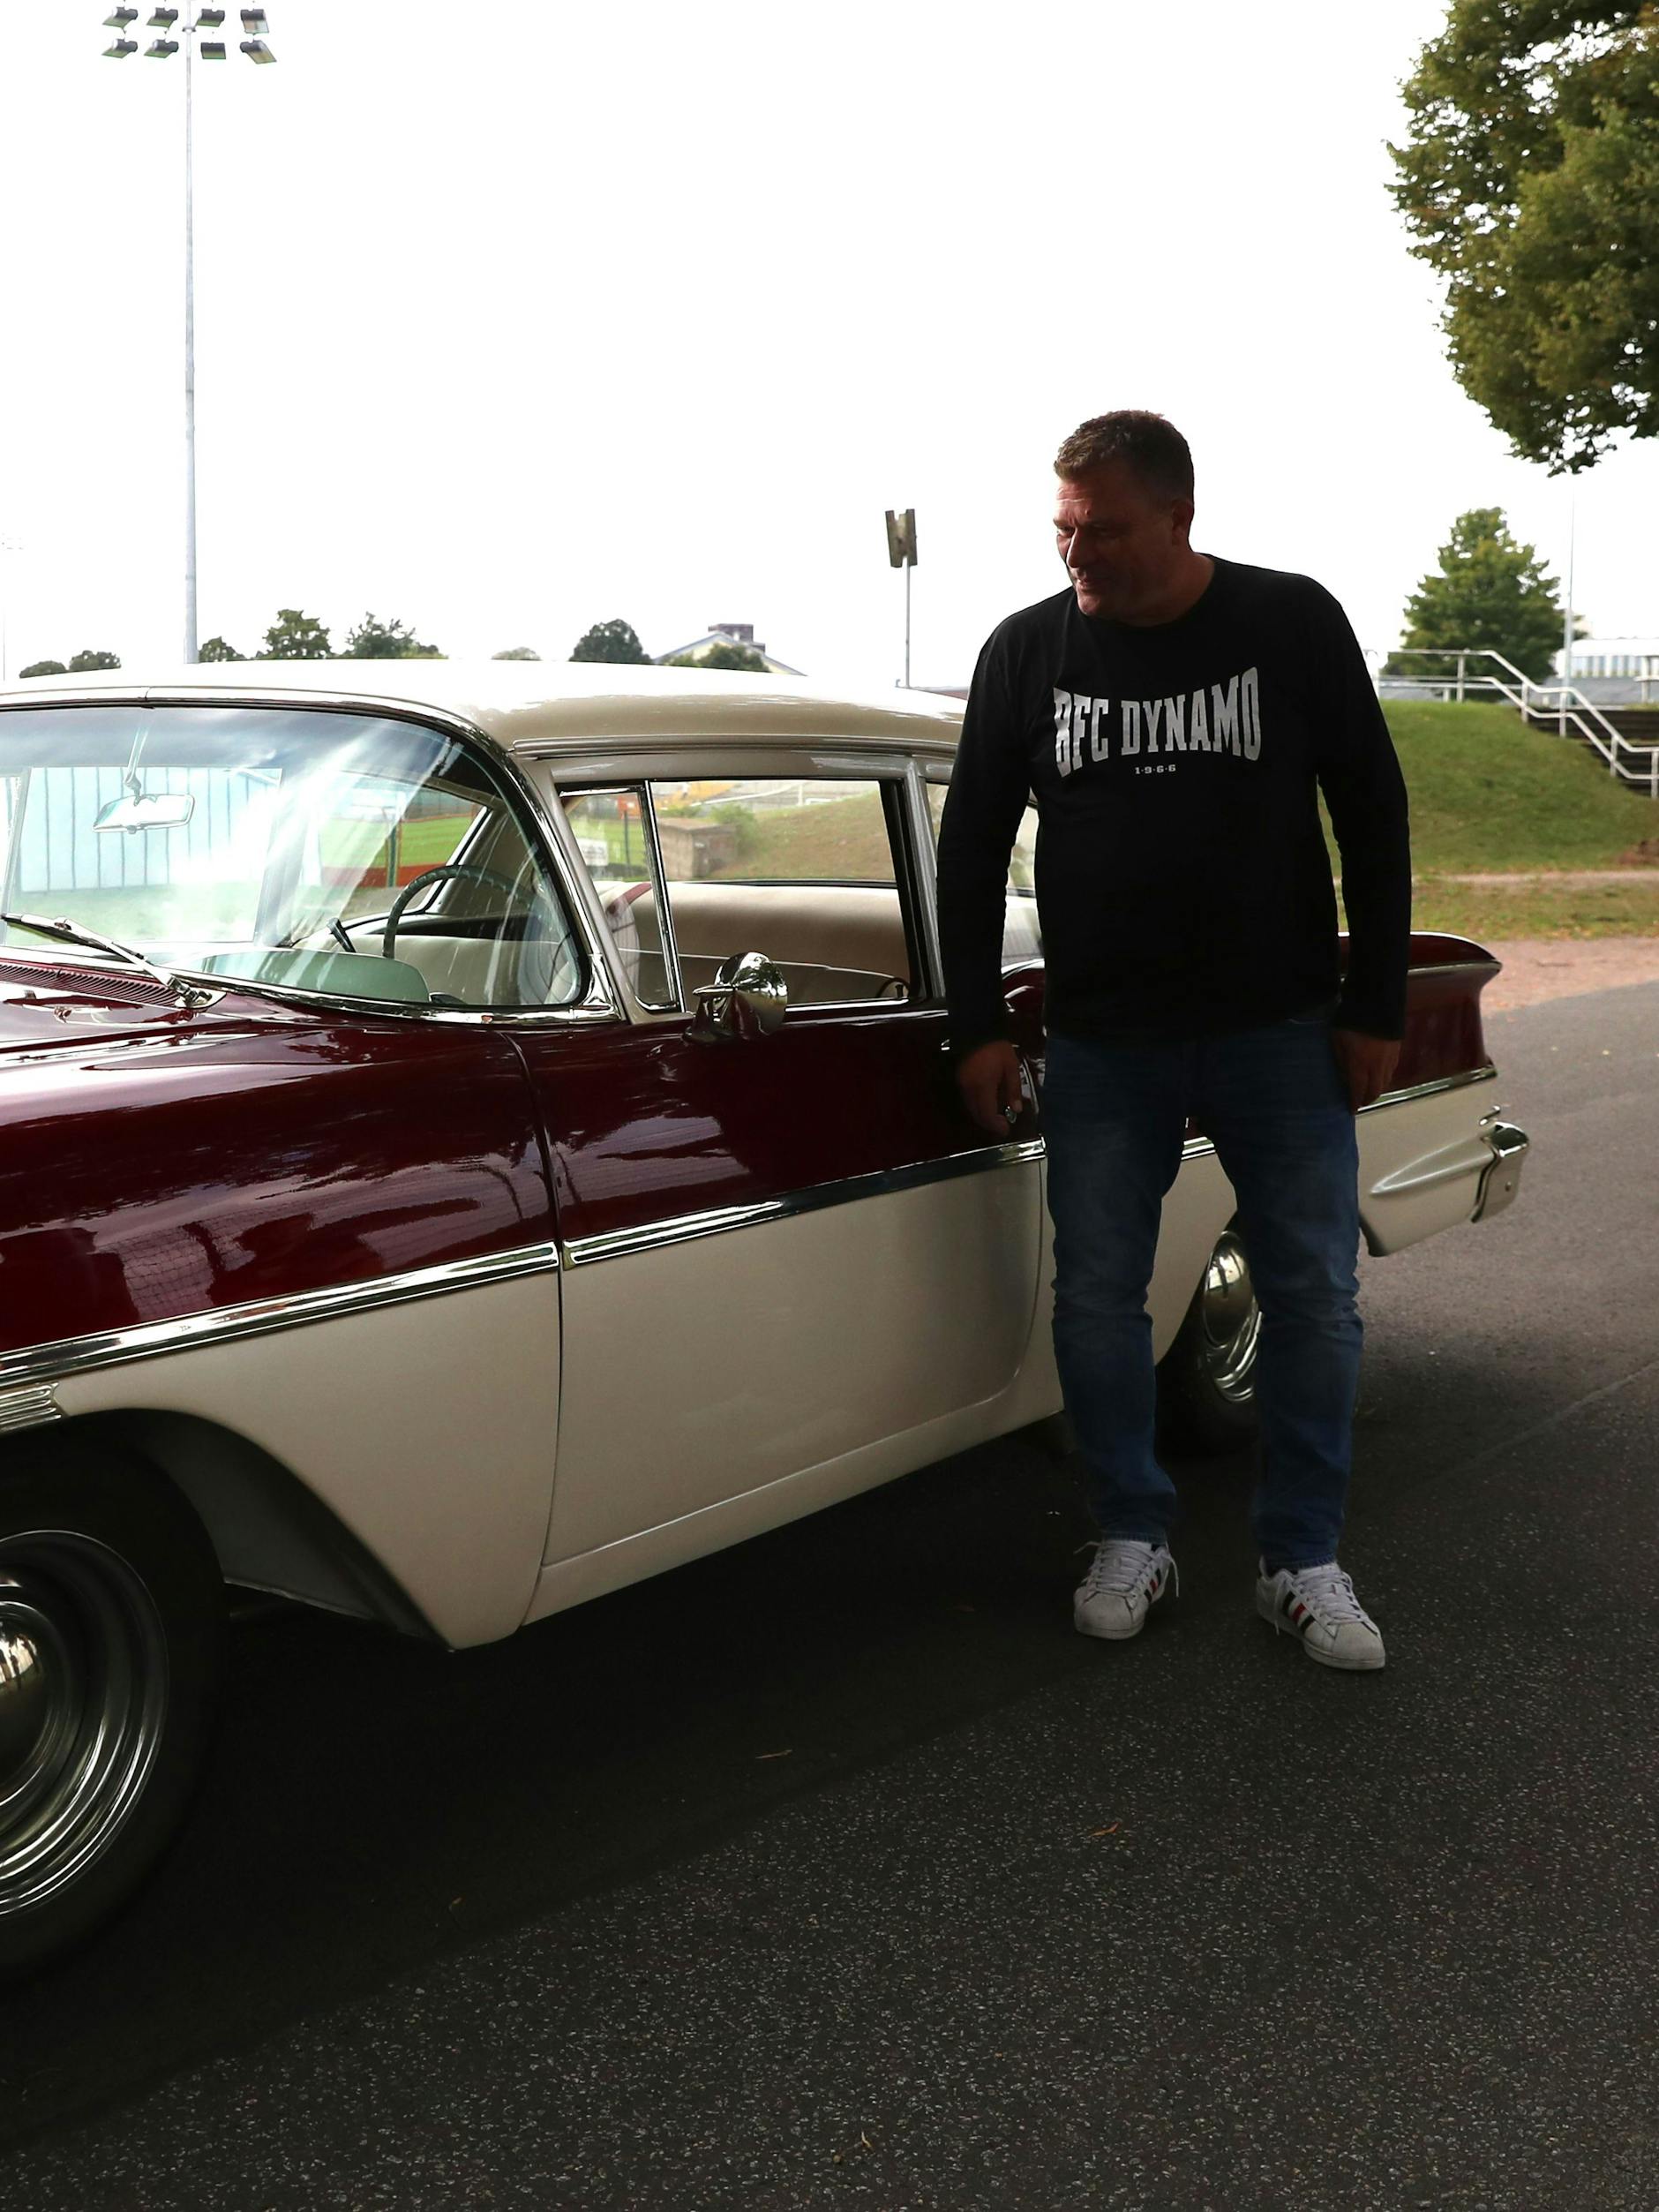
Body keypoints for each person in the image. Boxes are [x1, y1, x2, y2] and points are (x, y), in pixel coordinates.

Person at [935, 410, 1410, 1672]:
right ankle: (1131, 1531)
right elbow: (971, 845)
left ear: (1179, 516)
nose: (1076, 552)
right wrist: (977, 1023)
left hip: (1279, 1026)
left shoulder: (1289, 622)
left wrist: (1376, 1001)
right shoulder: (1026, 651)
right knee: (1096, 1296)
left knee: (1314, 1294)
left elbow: (1372, 808)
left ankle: (1301, 1558)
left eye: (1102, 529)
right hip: (1105, 1038)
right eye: (1064, 528)